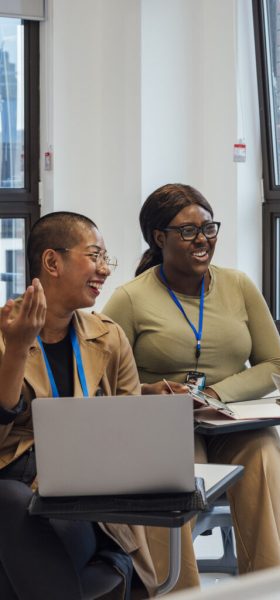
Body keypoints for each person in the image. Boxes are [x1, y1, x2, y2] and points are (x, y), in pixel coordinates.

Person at [103, 183, 280, 577]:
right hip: (165, 425)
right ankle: (177, 588)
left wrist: (218, 394)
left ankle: (267, 585)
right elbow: (101, 382)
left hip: (229, 420)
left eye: (208, 228)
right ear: (159, 237)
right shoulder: (130, 298)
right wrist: (149, 392)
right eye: (188, 231)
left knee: (265, 455)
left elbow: (273, 363)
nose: (202, 239)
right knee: (176, 467)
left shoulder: (238, 285)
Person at [0, 212, 162, 599]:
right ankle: (111, 571)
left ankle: (110, 565)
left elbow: (130, 432)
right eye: (95, 256)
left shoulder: (109, 337)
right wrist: (18, 349)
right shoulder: (6, 333)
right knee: (11, 502)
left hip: (85, 495)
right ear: (53, 262)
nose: (105, 269)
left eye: (107, 258)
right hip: (17, 480)